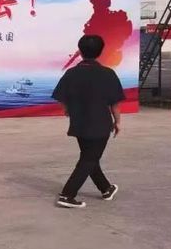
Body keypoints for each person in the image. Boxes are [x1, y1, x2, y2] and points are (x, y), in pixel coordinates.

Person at [52, 35, 124, 208]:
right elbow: (115, 103)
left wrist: (68, 110)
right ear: (100, 51)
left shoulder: (71, 73)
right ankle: (67, 195)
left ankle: (106, 188)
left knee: (89, 157)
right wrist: (117, 122)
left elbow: (61, 97)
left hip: (79, 123)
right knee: (89, 159)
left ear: (80, 51)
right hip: (100, 123)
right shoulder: (107, 74)